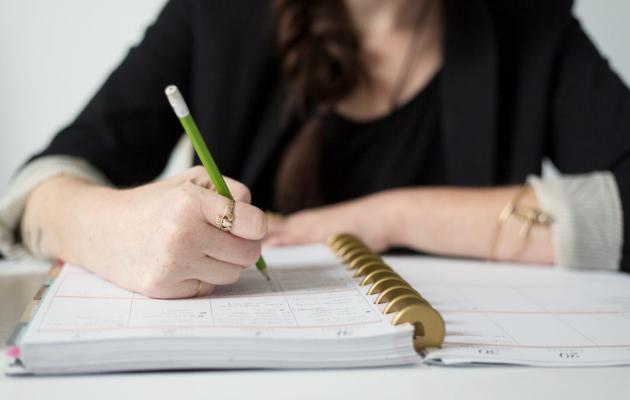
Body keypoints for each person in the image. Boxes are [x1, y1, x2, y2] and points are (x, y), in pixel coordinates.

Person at [1, 0, 629, 298]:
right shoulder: (219, 14)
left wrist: (382, 219)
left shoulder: (532, 25)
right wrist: (119, 228)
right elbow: (36, 193)